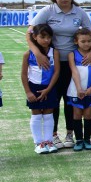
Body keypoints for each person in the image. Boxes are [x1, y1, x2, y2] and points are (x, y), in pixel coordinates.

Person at [28, 0, 91, 149]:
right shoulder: (47, 11)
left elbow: (90, 34)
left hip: (73, 63)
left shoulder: (79, 12)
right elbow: (29, 33)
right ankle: (54, 135)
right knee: (54, 100)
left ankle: (70, 133)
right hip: (51, 63)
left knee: (70, 99)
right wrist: (37, 53)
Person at [22, 24, 60, 154]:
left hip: (49, 87)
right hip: (34, 87)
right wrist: (28, 92)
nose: (46, 40)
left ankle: (49, 141)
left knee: (48, 114)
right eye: (42, 37)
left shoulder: (54, 52)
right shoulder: (28, 54)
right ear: (34, 37)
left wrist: (48, 89)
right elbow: (23, 74)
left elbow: (56, 72)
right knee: (36, 114)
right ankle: (38, 143)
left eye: (49, 37)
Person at [67, 28, 91, 150]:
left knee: (88, 114)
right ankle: (78, 140)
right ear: (76, 41)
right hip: (76, 90)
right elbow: (74, 71)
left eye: (89, 41)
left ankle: (87, 139)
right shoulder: (72, 54)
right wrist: (78, 88)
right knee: (77, 114)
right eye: (83, 41)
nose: (86, 44)